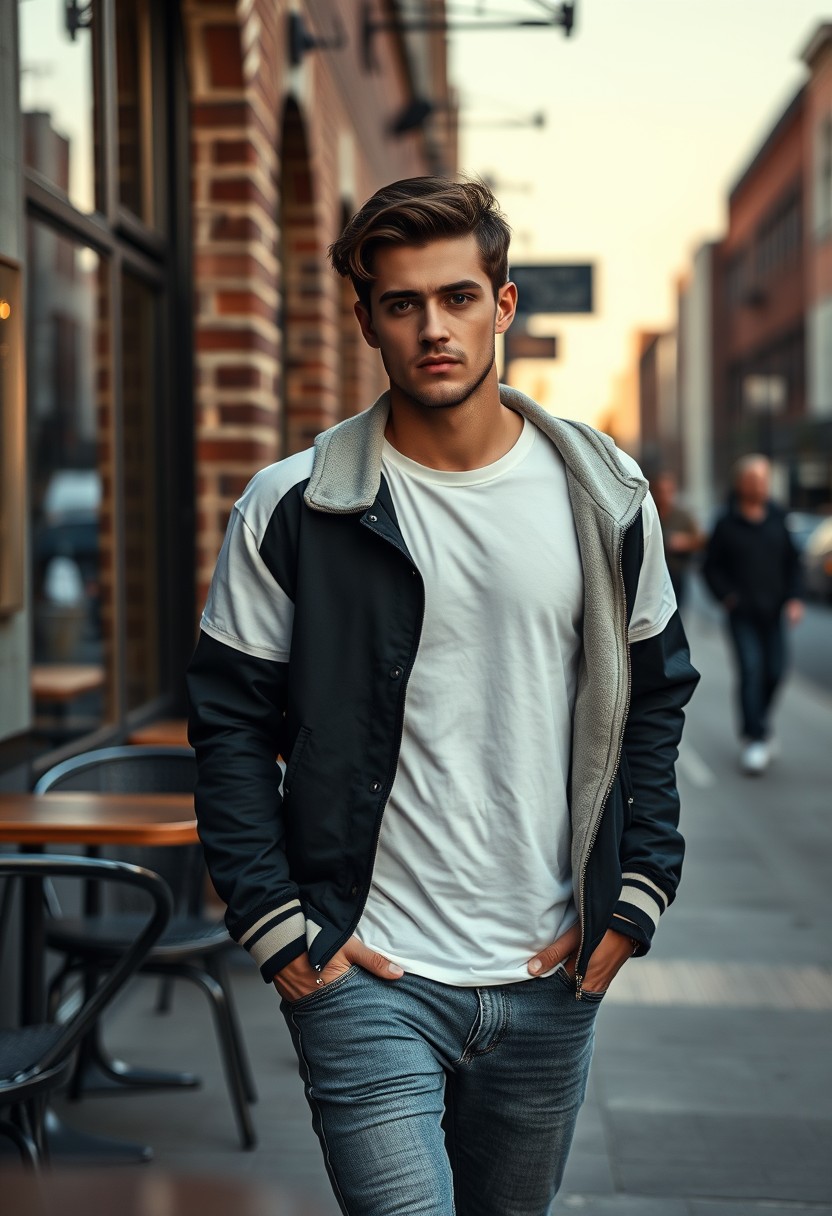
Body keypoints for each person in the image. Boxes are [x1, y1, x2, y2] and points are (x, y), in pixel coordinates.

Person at [186, 177, 699, 1216]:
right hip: (362, 970)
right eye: (403, 303)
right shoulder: (292, 505)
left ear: (503, 305)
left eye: (459, 298)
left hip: (550, 969)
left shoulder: (606, 496)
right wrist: (275, 925)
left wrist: (635, 897)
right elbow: (229, 720)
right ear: (368, 319)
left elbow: (657, 697)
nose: (434, 328)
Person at [703, 454, 802, 776]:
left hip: (774, 612)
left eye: (765, 479)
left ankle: (760, 722)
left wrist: (794, 599)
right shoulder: (726, 522)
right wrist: (726, 596)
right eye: (755, 479)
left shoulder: (777, 516)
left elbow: (793, 561)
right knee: (751, 669)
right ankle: (754, 739)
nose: (762, 485)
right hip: (742, 613)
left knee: (775, 671)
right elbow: (710, 567)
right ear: (741, 484)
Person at [650, 471, 704, 609]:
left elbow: (701, 540)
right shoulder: (648, 513)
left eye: (668, 491)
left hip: (676, 573)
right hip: (651, 574)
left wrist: (684, 542)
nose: (664, 496)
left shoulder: (682, 515)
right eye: (660, 491)